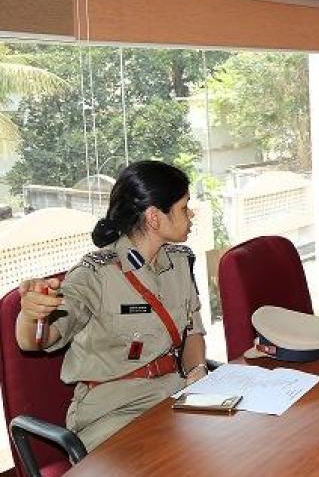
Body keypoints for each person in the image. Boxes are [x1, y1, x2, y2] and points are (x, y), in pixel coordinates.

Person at [16, 160, 208, 451]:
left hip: (173, 397)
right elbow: (38, 340)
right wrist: (31, 315)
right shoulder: (94, 275)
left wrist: (199, 373)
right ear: (155, 217)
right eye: (184, 208)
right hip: (113, 414)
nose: (191, 214)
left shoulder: (180, 262)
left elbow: (192, 331)